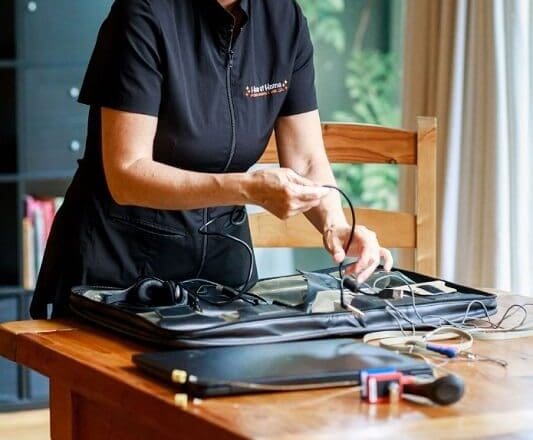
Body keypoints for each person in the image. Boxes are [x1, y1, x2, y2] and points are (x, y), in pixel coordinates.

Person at [30, 0, 393, 319]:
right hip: (121, 269)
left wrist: (334, 224)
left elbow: (308, 160)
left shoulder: (285, 18)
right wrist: (247, 189)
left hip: (222, 268)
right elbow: (127, 175)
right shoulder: (142, 13)